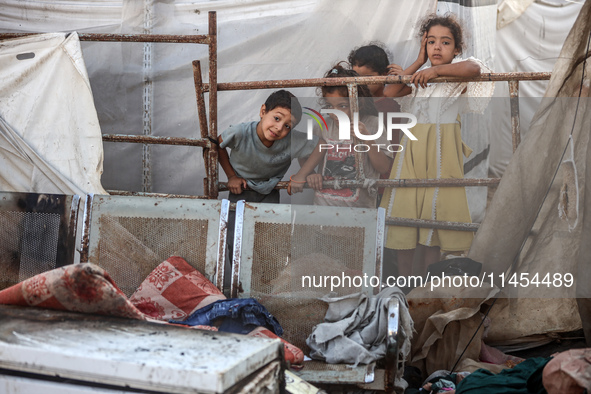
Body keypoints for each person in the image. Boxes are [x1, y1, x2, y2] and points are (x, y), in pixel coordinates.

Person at [380, 13, 494, 277]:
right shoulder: (420, 78)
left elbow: (474, 68)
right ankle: (406, 286)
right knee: (407, 216)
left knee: (433, 220)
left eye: (445, 42)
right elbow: (389, 92)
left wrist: (435, 70)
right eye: (431, 42)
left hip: (441, 156)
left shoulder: (454, 77)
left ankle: (426, 287)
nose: (437, 48)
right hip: (412, 156)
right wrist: (419, 63)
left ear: (457, 49)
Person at [306, 63, 393, 209]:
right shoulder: (322, 126)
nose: (335, 113)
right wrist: (311, 173)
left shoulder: (373, 124)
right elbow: (304, 154)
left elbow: (384, 167)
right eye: (329, 106)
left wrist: (366, 137)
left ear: (359, 103)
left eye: (342, 106)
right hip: (323, 209)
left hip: (359, 212)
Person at [218, 89, 325, 204]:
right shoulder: (241, 132)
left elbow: (321, 145)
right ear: (263, 111)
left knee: (269, 220)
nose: (279, 128)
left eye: (288, 126)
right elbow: (218, 145)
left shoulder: (290, 139)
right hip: (240, 188)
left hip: (271, 190)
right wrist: (231, 176)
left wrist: (301, 175)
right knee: (236, 220)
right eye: (277, 118)